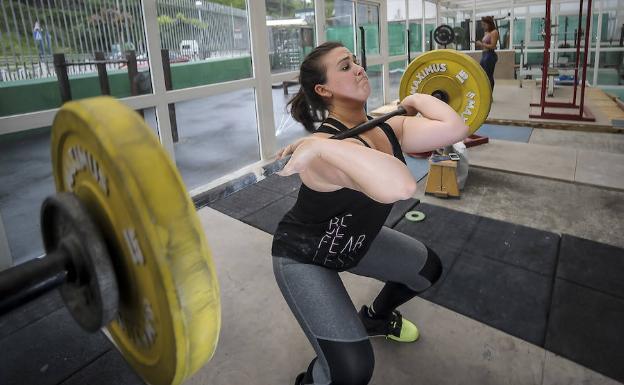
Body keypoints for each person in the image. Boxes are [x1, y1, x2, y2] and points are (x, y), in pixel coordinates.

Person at [271, 41, 469, 385]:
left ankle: (376, 318)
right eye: (345, 67)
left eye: (356, 62)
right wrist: (320, 144)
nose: (359, 68)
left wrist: (412, 99)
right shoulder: (321, 154)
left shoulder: (389, 126)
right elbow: (401, 186)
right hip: (304, 255)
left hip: (355, 243)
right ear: (324, 90)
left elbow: (456, 128)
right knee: (352, 371)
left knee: (426, 270)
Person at [476, 16, 499, 92]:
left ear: (489, 24)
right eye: (482, 25)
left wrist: (481, 44)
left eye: (484, 25)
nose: (483, 27)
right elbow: (486, 44)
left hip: (490, 55)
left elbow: (493, 46)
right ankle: (486, 92)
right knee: (482, 74)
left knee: (488, 75)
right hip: (484, 54)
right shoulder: (486, 32)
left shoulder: (494, 32)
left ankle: (489, 94)